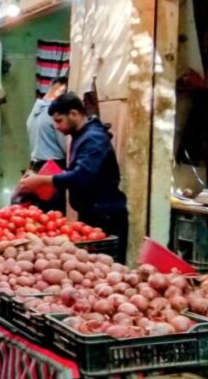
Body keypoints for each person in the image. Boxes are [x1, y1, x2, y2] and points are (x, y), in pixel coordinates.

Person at [18, 93, 129, 262]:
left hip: (106, 214)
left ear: (74, 114)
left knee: (105, 268)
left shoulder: (94, 139)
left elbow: (81, 176)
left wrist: (41, 181)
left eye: (59, 120)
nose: (56, 126)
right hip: (91, 213)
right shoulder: (81, 136)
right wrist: (41, 177)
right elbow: (75, 172)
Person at [20, 77, 69, 212]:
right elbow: (66, 147)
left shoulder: (34, 112)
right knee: (54, 214)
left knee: (39, 212)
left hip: (35, 166)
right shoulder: (54, 115)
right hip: (53, 169)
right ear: (62, 91)